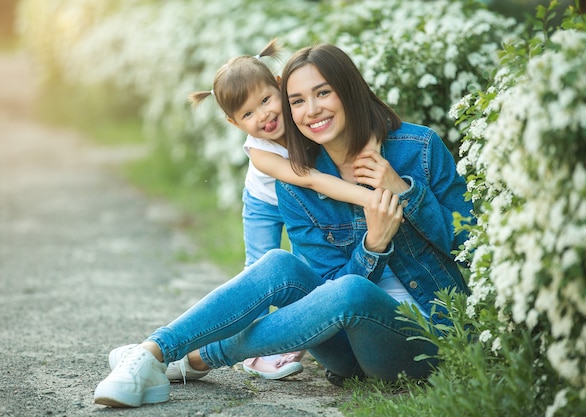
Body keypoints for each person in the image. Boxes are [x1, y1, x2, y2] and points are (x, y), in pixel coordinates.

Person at [93, 43, 472, 408]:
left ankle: (194, 357)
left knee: (353, 291)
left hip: (426, 338)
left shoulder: (418, 148)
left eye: (323, 93)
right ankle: (150, 353)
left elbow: (469, 245)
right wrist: (372, 247)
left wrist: (405, 192)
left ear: (349, 90)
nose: (312, 110)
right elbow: (325, 291)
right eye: (298, 101)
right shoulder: (295, 185)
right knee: (278, 263)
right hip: (345, 351)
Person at [188, 39, 374, 380]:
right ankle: (249, 349)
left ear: (279, 86)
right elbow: (312, 179)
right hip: (265, 205)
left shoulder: (304, 114)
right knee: (259, 272)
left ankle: (291, 338)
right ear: (234, 123)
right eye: (247, 114)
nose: (264, 116)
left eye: (265, 100)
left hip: (302, 204)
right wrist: (367, 198)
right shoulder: (258, 150)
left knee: (303, 269)